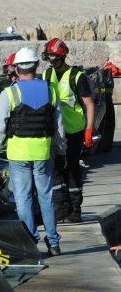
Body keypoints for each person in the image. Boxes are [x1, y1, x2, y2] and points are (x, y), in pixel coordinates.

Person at [0, 47, 67, 257]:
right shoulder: (50, 90)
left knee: (22, 198)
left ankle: (30, 240)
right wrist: (61, 149)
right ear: (36, 66)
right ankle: (53, 242)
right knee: (46, 197)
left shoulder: (10, 92)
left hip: (18, 153)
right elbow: (58, 125)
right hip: (42, 152)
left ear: (16, 68)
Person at [41, 38, 95, 223]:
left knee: (71, 168)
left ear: (63, 57)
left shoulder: (77, 77)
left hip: (73, 131)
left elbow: (89, 104)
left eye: (54, 58)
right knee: (55, 169)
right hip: (54, 132)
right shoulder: (46, 75)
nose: (51, 61)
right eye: (49, 57)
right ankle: (61, 208)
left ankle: (75, 210)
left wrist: (88, 129)